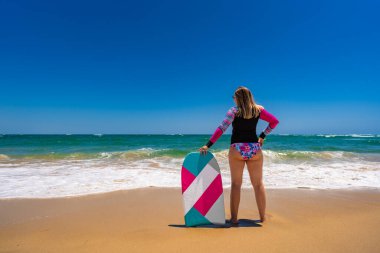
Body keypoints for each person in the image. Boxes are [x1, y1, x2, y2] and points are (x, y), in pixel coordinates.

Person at [199, 86, 279, 225]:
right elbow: (274, 121)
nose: (233, 99)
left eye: (234, 97)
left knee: (236, 184)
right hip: (254, 149)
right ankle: (262, 218)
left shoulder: (233, 111)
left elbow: (221, 128)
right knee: (258, 185)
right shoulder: (258, 110)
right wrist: (262, 135)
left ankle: (234, 219)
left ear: (238, 98)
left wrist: (208, 145)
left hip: (237, 149)